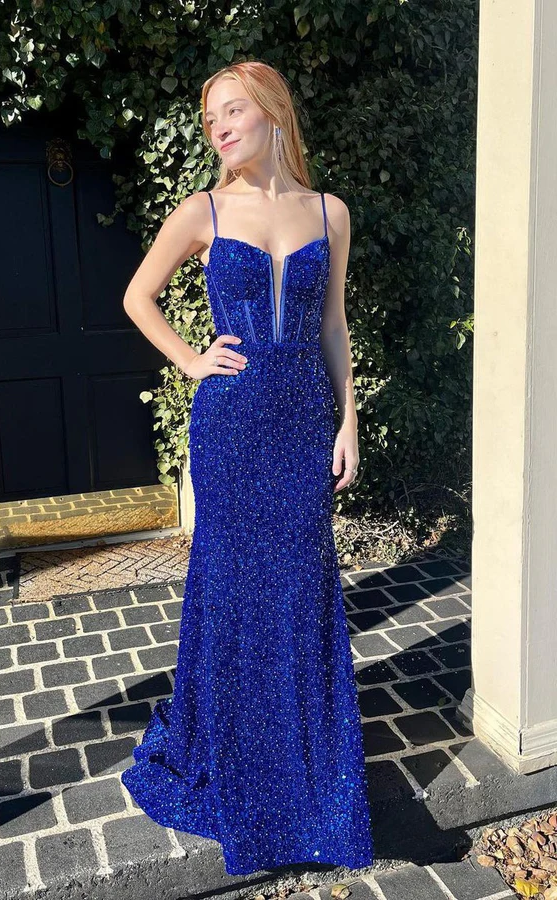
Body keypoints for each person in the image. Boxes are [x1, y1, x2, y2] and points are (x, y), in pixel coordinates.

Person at [120, 59, 375, 877]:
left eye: (232, 110)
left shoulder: (330, 213)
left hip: (302, 423)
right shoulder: (202, 211)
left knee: (300, 593)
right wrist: (193, 360)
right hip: (231, 428)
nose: (219, 127)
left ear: (272, 111)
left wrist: (349, 419)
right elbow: (137, 297)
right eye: (211, 119)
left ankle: (310, 786)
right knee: (232, 589)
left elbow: (332, 325)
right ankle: (237, 769)